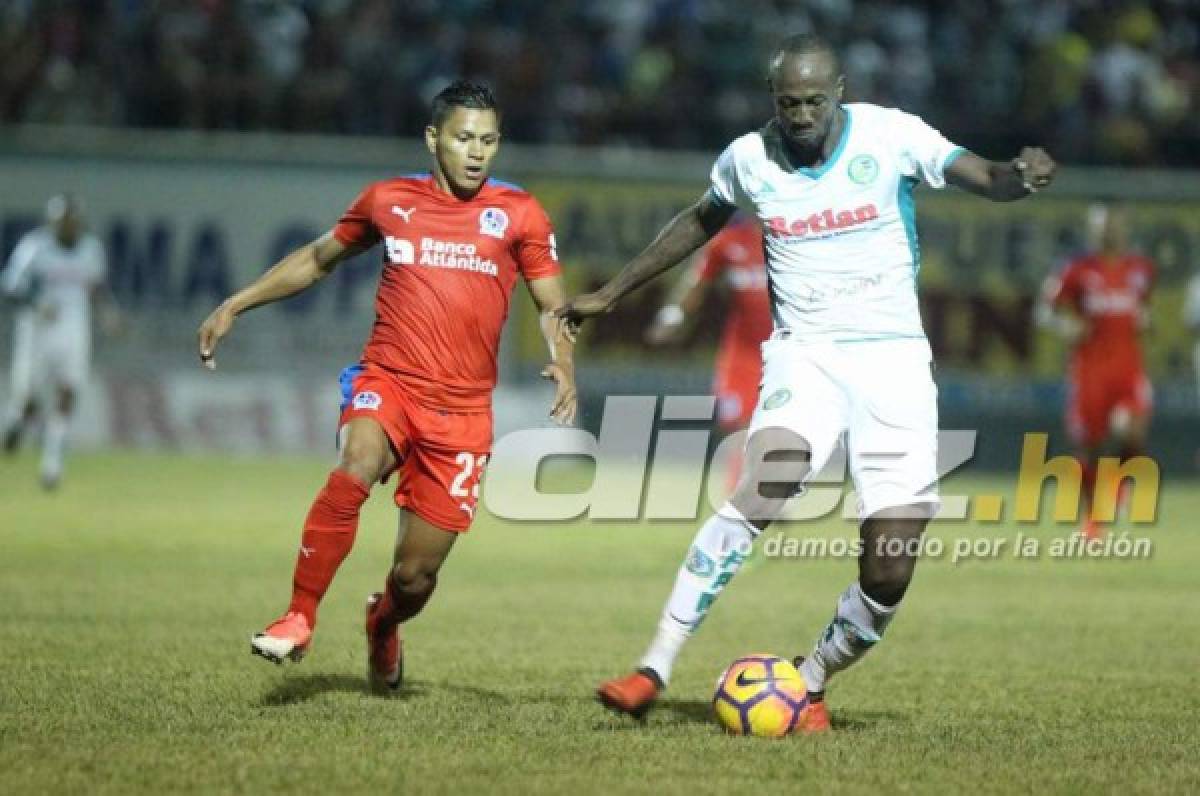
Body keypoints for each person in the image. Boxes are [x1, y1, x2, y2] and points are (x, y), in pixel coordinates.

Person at [560, 34, 1056, 730]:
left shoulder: (891, 135)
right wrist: (611, 294)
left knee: (888, 570)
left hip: (895, 367)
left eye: (814, 101)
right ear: (774, 99)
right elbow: (700, 220)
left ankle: (812, 678)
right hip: (807, 356)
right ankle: (654, 666)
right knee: (765, 483)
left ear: (840, 91)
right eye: (788, 102)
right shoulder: (748, 159)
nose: (800, 115)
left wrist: (1019, 174)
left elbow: (986, 177)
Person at [197, 81, 576, 690]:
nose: (476, 153)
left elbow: (551, 301)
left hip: (461, 415)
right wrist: (236, 304)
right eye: (462, 138)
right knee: (358, 459)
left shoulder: (520, 213)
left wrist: (563, 359)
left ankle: (383, 624)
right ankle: (299, 615)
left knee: (413, 579)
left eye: (488, 141)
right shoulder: (387, 201)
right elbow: (319, 260)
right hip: (389, 380)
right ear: (433, 139)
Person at [1038, 203, 1154, 538]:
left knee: (1131, 430)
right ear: (1092, 232)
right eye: (1102, 228)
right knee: (1089, 444)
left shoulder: (1140, 270)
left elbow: (1144, 307)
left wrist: (1144, 320)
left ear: (1124, 230)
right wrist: (1066, 327)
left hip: (1128, 366)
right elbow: (1045, 311)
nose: (1109, 234)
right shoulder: (1075, 270)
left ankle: (1118, 486)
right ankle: (1093, 519)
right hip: (1089, 369)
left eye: (1114, 227)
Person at [644, 215, 771, 491]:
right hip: (743, 352)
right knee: (740, 421)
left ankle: (771, 486)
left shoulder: (798, 240)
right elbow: (697, 281)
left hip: (791, 346)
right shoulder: (729, 242)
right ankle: (740, 491)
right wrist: (673, 316)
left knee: (780, 421)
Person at [1, 193, 117, 489]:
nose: (68, 227)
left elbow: (95, 287)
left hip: (74, 330)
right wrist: (36, 302)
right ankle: (15, 420)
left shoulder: (91, 250)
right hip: (38, 330)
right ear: (53, 222)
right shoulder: (36, 247)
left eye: (72, 222)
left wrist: (108, 314)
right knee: (29, 397)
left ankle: (51, 464)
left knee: (68, 391)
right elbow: (10, 284)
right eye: (62, 222)